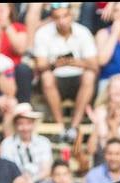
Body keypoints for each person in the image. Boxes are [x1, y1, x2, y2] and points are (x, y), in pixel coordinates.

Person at [33, 2, 98, 143]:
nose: (62, 21)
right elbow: (40, 65)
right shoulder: (43, 33)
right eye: (58, 17)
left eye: (65, 16)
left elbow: (94, 65)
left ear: (71, 15)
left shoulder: (83, 32)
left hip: (77, 78)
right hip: (56, 78)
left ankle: (74, 127)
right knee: (46, 77)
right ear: (52, 18)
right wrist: (54, 64)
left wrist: (72, 62)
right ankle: (61, 128)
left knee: (89, 76)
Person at [87, 75, 120, 166]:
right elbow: (93, 147)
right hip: (104, 157)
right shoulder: (100, 111)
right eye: (115, 87)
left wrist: (114, 128)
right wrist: (98, 125)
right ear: (108, 91)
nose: (118, 90)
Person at [0, 102, 53, 183]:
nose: (25, 128)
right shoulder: (7, 144)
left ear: (33, 124)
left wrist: (33, 180)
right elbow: (7, 170)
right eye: (21, 124)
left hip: (39, 182)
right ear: (15, 125)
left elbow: (46, 170)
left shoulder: (43, 142)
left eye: (28, 123)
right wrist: (23, 181)